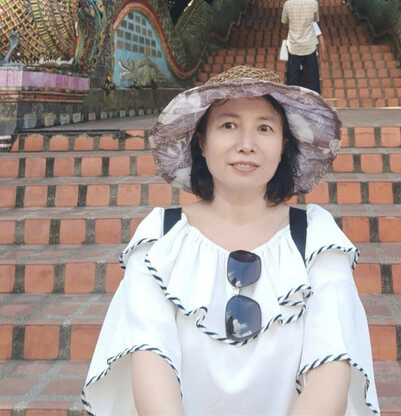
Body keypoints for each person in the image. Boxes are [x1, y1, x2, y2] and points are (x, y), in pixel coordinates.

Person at [83, 66, 379, 415]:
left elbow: (331, 370)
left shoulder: (318, 239)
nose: (246, 145)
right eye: (228, 125)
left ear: (283, 145)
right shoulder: (161, 238)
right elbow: (150, 358)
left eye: (264, 128)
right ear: (202, 141)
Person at [281, 0, 321, 93]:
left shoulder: (288, 4)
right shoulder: (314, 3)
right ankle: (314, 97)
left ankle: (292, 97)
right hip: (309, 44)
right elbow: (315, 19)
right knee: (312, 74)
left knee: (292, 73)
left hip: (294, 44)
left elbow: (284, 21)